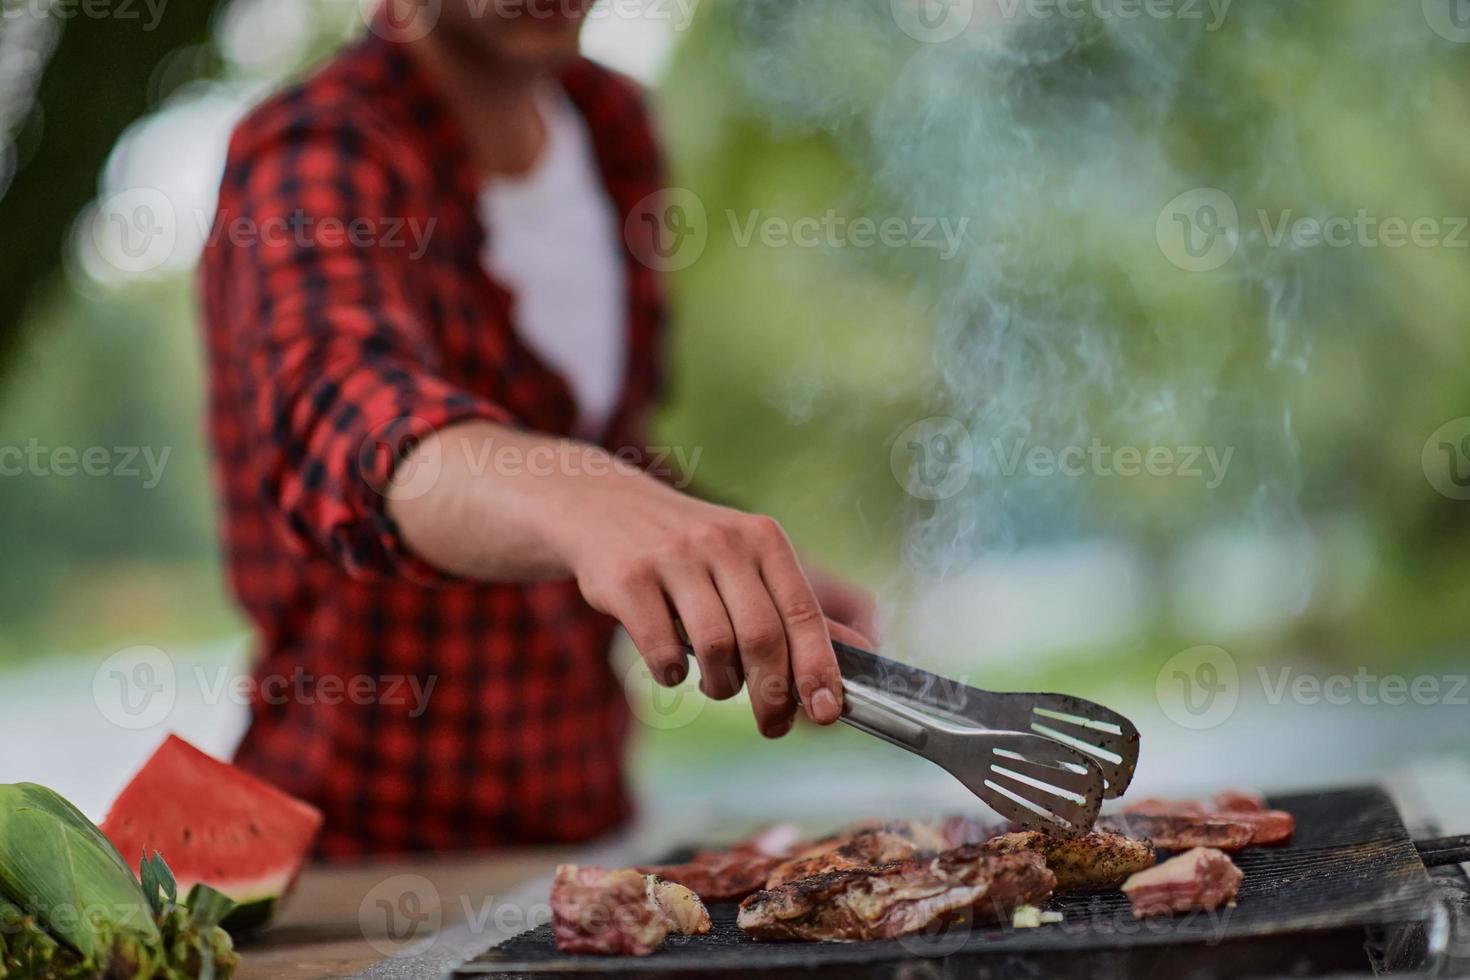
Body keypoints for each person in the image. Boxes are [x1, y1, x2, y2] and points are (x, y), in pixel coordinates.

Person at [200, 0, 875, 856]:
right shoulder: (312, 152)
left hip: (588, 826)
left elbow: (597, 447)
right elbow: (344, 412)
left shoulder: (613, 127)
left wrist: (719, 554)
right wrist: (590, 500)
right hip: (356, 850)